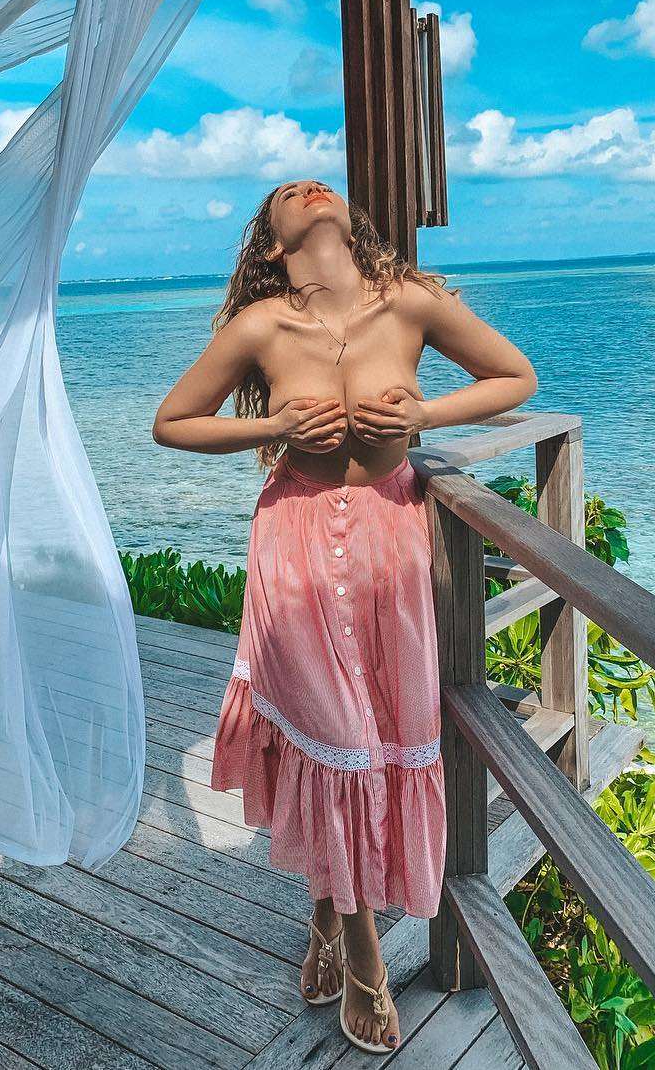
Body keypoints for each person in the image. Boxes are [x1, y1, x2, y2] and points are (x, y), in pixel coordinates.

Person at [152, 179, 537, 1053]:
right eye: (286, 195)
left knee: (382, 733)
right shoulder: (261, 326)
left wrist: (426, 412)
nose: (306, 186)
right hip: (293, 542)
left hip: (390, 540)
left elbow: (516, 376)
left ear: (346, 222)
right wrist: (274, 428)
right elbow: (172, 422)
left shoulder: (410, 303)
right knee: (340, 739)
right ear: (273, 244)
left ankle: (326, 912)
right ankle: (365, 956)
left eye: (317, 184)